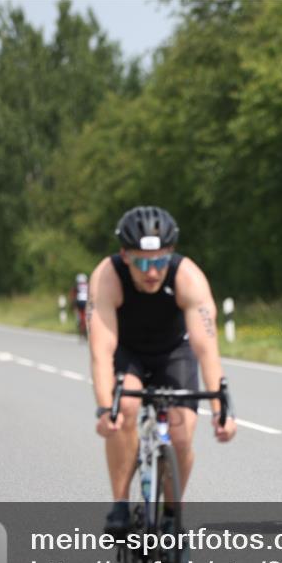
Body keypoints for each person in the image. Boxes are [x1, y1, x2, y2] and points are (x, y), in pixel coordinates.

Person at [88, 205, 237, 535]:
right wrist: (104, 409)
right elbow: (101, 350)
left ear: (170, 254)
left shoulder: (188, 277)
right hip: (128, 350)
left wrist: (221, 410)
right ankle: (120, 507)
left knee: (182, 434)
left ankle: (171, 513)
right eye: (142, 262)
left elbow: (206, 348)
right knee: (124, 408)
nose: (152, 271)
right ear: (125, 256)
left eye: (158, 262)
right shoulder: (108, 277)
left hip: (174, 351)